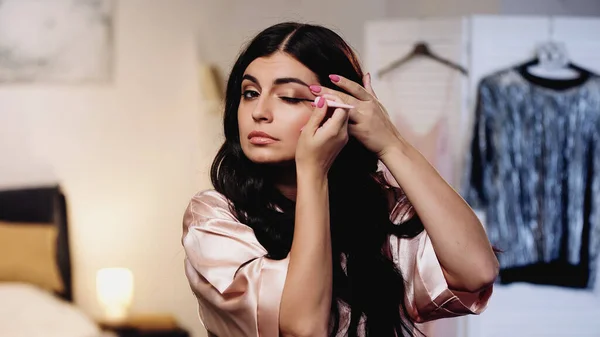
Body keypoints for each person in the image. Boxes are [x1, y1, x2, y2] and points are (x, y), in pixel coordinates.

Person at [182, 22, 498, 337]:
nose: (259, 111)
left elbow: (476, 272)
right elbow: (304, 329)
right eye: (250, 93)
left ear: (338, 110)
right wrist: (312, 172)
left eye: (290, 97)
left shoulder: (378, 210)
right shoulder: (214, 217)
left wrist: (391, 144)